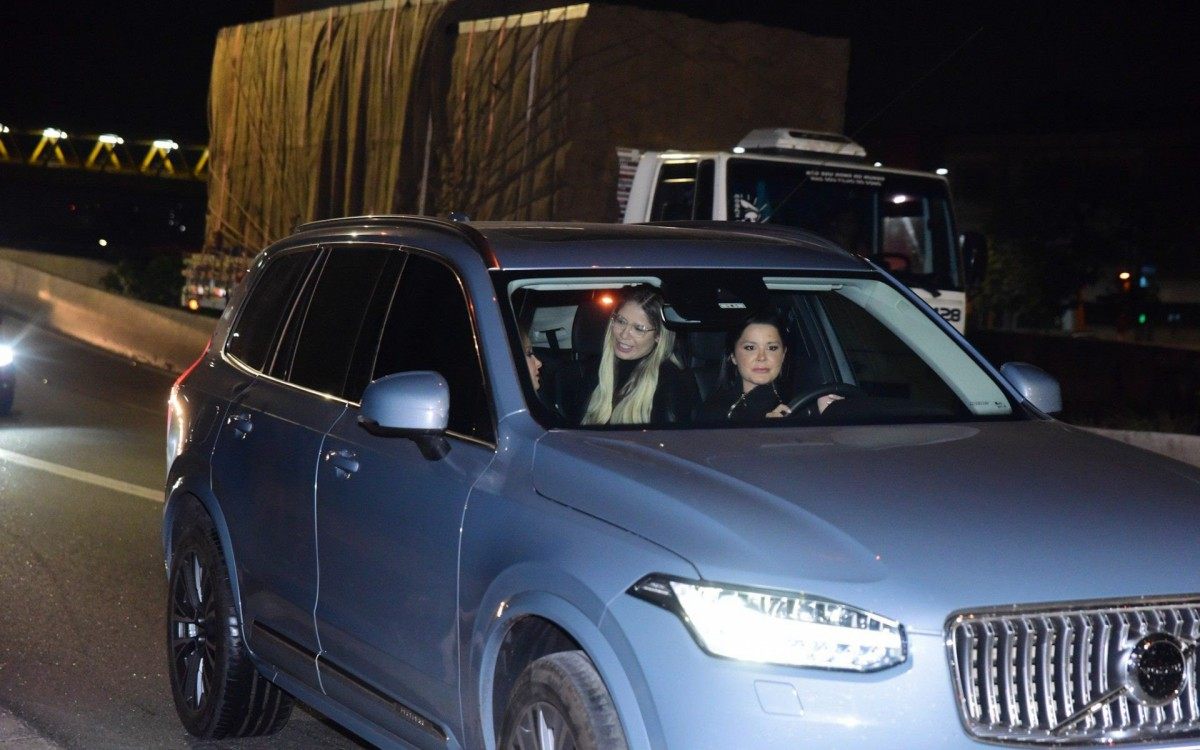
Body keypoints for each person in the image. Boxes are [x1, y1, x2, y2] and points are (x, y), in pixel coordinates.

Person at [579, 285, 697, 425]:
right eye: (621, 321)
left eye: (639, 329)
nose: (624, 334)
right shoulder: (596, 370)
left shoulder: (669, 381)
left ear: (658, 336)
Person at [700, 309, 842, 422]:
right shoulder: (715, 412)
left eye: (772, 348)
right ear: (733, 357)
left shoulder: (803, 403)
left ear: (783, 354)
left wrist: (829, 415)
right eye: (750, 348)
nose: (762, 357)